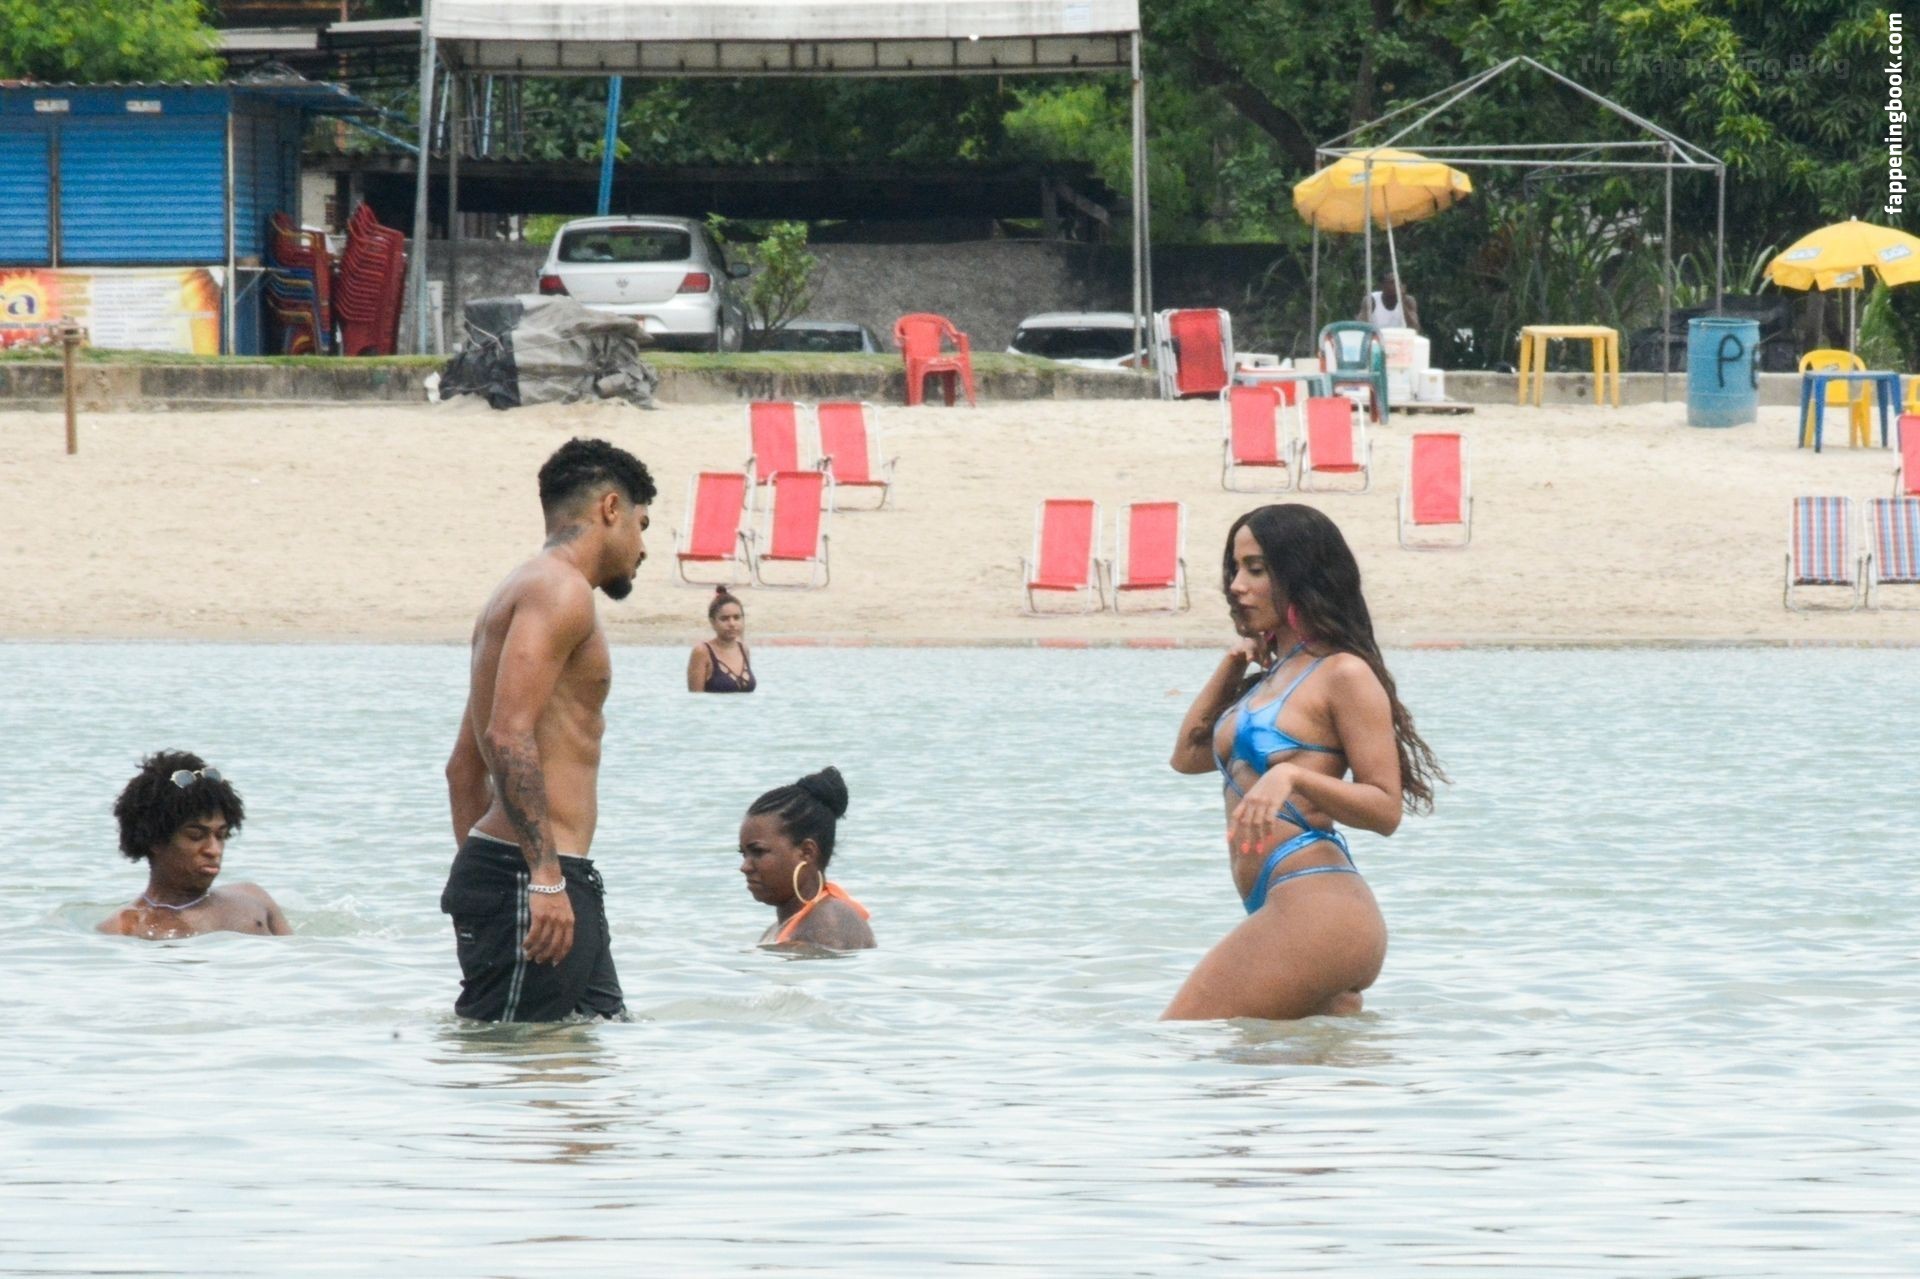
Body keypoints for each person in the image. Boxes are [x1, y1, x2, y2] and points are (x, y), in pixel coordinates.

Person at [1162, 504, 1443, 1021]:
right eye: (1234, 568)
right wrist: (1232, 665)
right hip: (1286, 906)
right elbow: (1187, 757)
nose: (1236, 586)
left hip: (1317, 905)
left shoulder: (1343, 673)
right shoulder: (1270, 679)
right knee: (1293, 1069)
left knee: (1179, 1038)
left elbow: (1385, 809)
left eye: (1256, 569)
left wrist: (1292, 776)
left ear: (1300, 573)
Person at [440, 437, 658, 1022]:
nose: (643, 549)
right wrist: (535, 878)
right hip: (536, 879)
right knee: (518, 1061)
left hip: (543, 877)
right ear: (611, 509)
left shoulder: (522, 590)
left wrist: (485, 883)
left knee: (597, 1049)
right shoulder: (559, 590)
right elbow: (507, 737)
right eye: (642, 526)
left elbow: (463, 768)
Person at [98, 751, 290, 939]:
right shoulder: (125, 928)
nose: (214, 850)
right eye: (196, 836)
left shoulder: (254, 898)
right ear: (154, 840)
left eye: (221, 835)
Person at [737, 767, 874, 950]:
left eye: (758, 852)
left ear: (807, 852)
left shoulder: (827, 923)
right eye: (744, 854)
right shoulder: (783, 928)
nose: (745, 867)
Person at [687, 587, 756, 693]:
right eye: (724, 619)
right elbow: (695, 698)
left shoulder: (743, 649)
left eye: (736, 617)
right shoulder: (702, 652)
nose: (732, 624)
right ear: (712, 622)